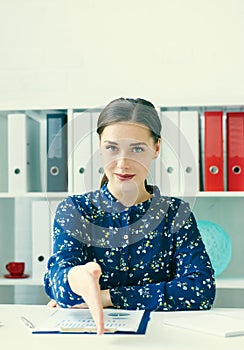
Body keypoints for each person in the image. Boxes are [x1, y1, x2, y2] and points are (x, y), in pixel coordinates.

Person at [44, 97, 216, 335]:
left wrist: (108, 296)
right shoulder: (75, 210)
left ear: (156, 149)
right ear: (100, 147)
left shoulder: (176, 213)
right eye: (112, 148)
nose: (122, 163)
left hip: (164, 340)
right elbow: (58, 285)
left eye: (137, 149)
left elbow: (200, 290)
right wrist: (75, 279)